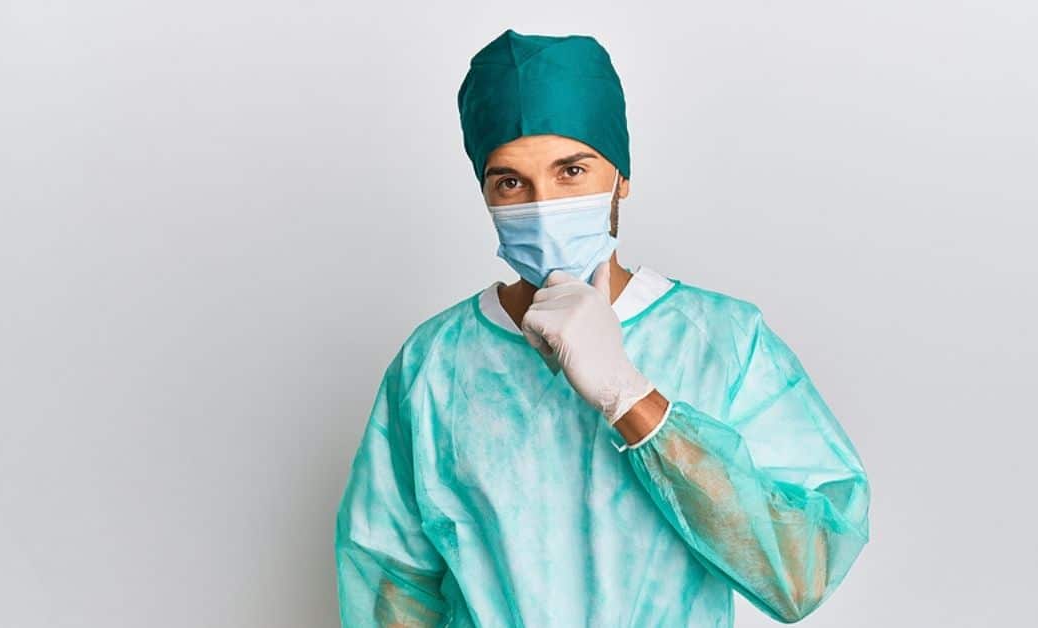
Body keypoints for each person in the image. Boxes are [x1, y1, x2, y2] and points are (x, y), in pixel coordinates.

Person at [334, 28, 871, 627]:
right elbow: (391, 581)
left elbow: (804, 573)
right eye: (511, 181)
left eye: (572, 171)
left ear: (621, 178)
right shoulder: (434, 363)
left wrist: (631, 397)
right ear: (485, 192)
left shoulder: (722, 341)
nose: (542, 204)